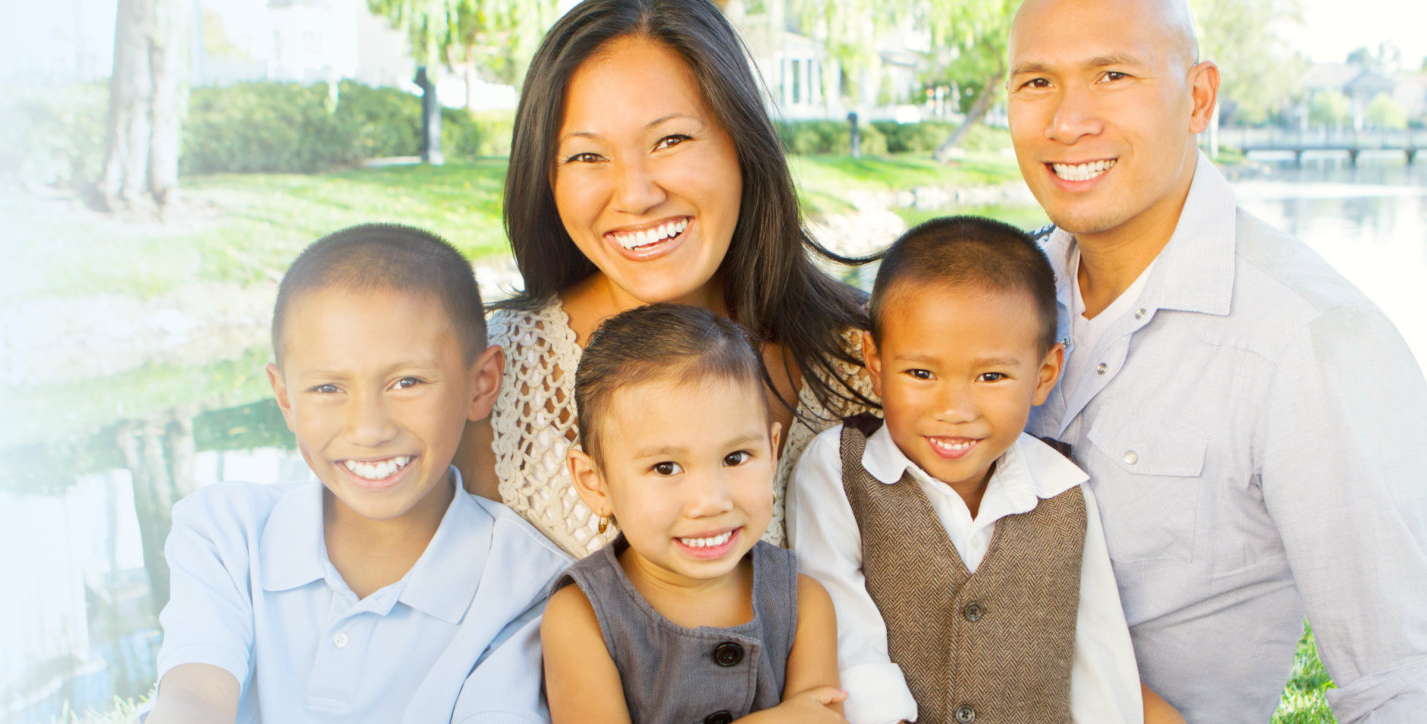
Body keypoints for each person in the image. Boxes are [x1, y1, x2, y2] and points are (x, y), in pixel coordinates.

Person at [1007, 1, 1427, 721]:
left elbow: (1402, 679)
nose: (1067, 122)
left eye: (1112, 75)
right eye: (1036, 82)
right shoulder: (995, 299)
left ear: (1198, 97)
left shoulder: (1309, 337)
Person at [462, 0, 878, 558]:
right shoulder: (491, 383)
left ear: (743, 142)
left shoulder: (877, 357)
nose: (635, 195)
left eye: (671, 140)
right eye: (587, 156)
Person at [146, 224, 572, 723]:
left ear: (481, 384)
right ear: (284, 398)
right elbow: (192, 696)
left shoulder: (527, 584)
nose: (369, 429)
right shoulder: (226, 531)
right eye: (327, 388)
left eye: (407, 382)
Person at [790, 216, 1161, 724]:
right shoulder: (838, 469)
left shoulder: (1064, 491)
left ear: (1043, 375)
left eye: (991, 376)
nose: (955, 409)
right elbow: (840, 620)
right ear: (875, 365)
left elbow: (1098, 652)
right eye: (921, 373)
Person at [542, 303, 847, 723]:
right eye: (665, 468)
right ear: (595, 482)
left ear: (772, 452)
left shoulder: (803, 602)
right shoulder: (582, 617)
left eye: (736, 457)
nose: (711, 501)